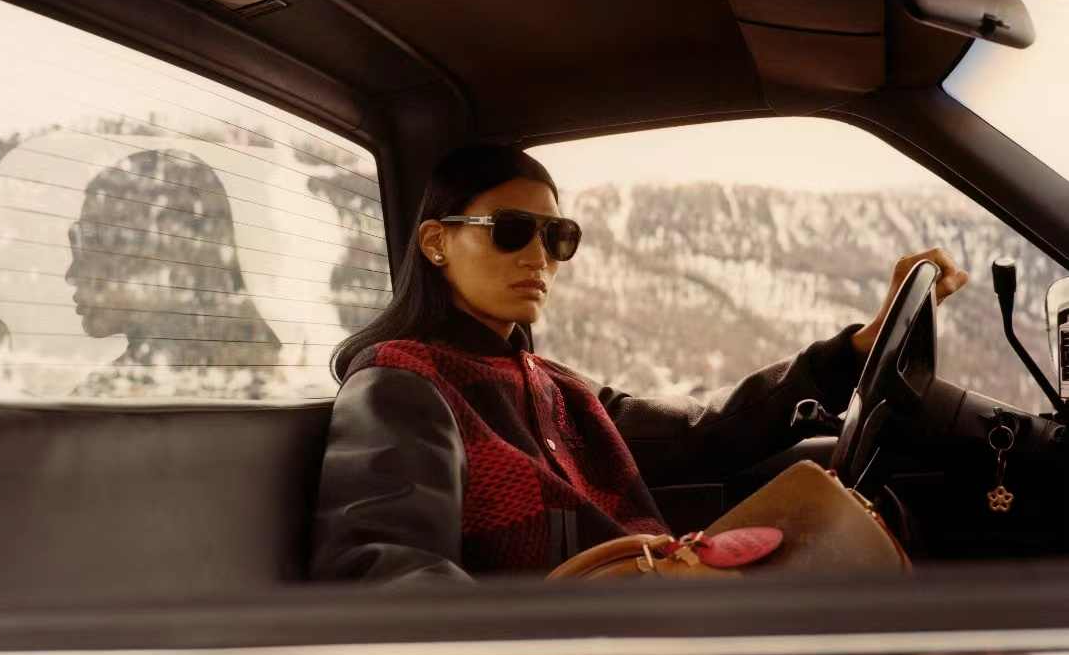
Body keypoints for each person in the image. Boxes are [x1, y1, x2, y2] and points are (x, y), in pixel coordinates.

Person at [310, 144, 969, 584]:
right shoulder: (402, 384)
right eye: (510, 231)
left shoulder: (553, 385)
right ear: (435, 242)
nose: (538, 256)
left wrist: (853, 351)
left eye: (557, 236)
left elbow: (700, 431)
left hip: (650, 612)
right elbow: (387, 573)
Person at [64, 149, 281, 393]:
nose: (72, 275)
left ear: (169, 258)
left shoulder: (111, 397)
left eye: (93, 245)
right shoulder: (272, 374)